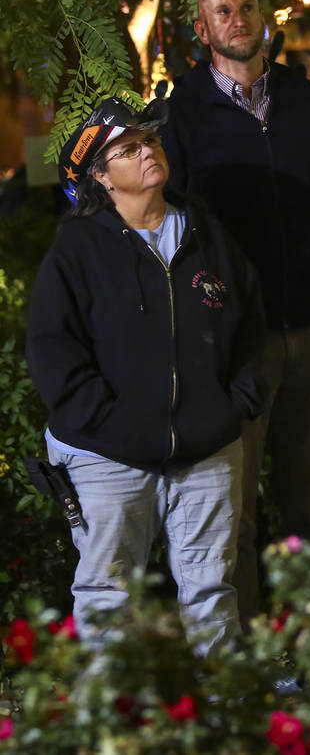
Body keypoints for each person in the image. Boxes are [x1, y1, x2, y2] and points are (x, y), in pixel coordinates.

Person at [26, 96, 265, 655]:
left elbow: (251, 322)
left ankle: (224, 722)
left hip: (207, 449)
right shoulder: (77, 248)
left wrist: (236, 403)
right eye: (127, 149)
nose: (147, 152)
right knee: (108, 596)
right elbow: (52, 352)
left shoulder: (205, 230)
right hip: (106, 455)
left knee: (211, 592)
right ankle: (112, 732)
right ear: (102, 177)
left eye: (149, 141)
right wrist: (110, 423)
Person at [160, 0, 310, 623]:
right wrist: (206, 325)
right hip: (235, 345)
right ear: (203, 30)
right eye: (223, 9)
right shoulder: (181, 109)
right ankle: (242, 673)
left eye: (247, 5)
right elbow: (176, 226)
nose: (238, 17)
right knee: (233, 514)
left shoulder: (301, 98)